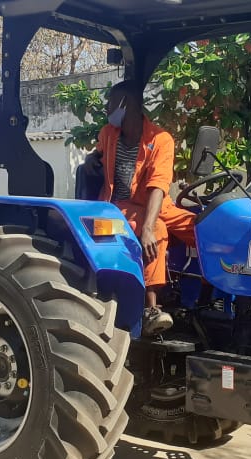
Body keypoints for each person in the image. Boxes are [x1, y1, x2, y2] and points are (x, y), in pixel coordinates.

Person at [88, 80, 197, 335]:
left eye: (111, 103)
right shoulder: (108, 134)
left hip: (155, 203)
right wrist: (92, 161)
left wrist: (147, 224)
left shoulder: (160, 139)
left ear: (127, 105)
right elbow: (97, 157)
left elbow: (158, 186)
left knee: (202, 228)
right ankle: (151, 308)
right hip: (118, 207)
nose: (107, 108)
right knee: (156, 229)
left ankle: (202, 297)